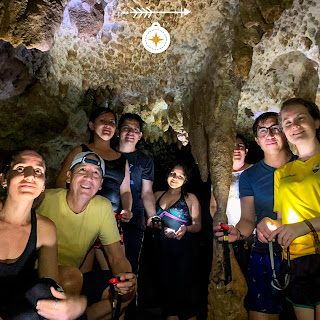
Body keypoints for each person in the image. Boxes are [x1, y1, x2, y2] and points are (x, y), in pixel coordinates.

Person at [214, 112, 295, 320]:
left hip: (301, 250)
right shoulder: (250, 176)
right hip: (264, 251)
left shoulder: (303, 165)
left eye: (275, 128)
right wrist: (237, 233)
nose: (269, 134)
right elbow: (248, 218)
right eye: (262, 130)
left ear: (285, 133)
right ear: (257, 141)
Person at [38, 151, 136, 319]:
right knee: (71, 276)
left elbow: (116, 257)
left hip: (75, 278)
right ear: (68, 177)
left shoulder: (103, 207)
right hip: (39, 276)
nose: (89, 177)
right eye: (82, 170)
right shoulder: (45, 199)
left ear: (100, 185)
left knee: (126, 292)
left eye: (96, 173)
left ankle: (84, 316)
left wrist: (126, 280)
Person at [0, 150, 87, 320]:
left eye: (38, 171)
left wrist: (77, 305)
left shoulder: (44, 228)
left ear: (43, 185)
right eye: (20, 168)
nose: (30, 176)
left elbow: (50, 286)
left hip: (17, 308)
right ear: (4, 179)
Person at [262, 98, 320, 320]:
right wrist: (268, 227)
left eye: (301, 118)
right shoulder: (282, 173)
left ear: (316, 122)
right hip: (295, 259)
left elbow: (296, 226)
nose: (294, 125)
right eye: (287, 122)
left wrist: (303, 227)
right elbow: (282, 220)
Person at [56, 107, 132, 269]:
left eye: (112, 122)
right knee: (82, 266)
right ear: (91, 125)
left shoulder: (121, 159)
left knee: (114, 265)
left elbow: (125, 190)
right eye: (102, 120)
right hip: (82, 215)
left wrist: (127, 208)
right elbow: (62, 180)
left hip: (111, 218)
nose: (107, 125)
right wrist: (68, 212)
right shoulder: (81, 151)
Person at [154, 164, 201, 320]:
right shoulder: (157, 195)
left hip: (183, 248)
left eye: (180, 176)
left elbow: (198, 225)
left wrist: (186, 229)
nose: (175, 178)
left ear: (185, 180)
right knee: (164, 286)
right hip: (161, 248)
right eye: (173, 173)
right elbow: (149, 219)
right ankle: (170, 314)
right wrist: (156, 225)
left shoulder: (190, 198)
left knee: (183, 285)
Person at [118, 113, 156, 275]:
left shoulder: (145, 161)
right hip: (107, 213)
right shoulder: (108, 155)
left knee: (130, 264)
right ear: (118, 131)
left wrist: (152, 215)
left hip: (134, 217)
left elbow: (147, 192)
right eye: (126, 128)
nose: (130, 132)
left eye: (135, 129)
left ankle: (128, 299)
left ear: (140, 135)